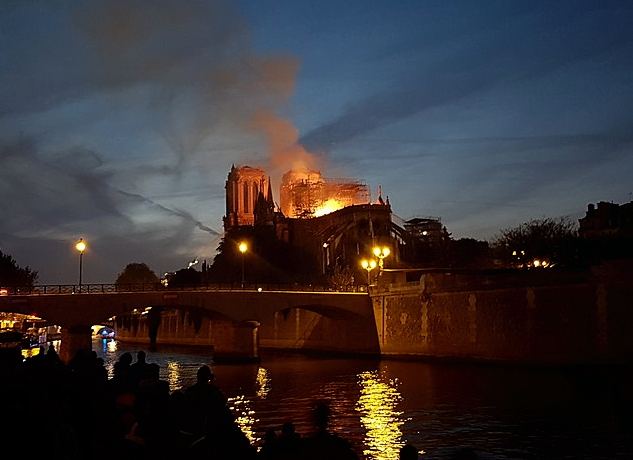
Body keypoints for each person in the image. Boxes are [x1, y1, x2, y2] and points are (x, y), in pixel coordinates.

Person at [183, 365, 228, 438]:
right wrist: (211, 384)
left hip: (192, 425)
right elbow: (222, 401)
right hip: (208, 426)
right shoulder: (211, 391)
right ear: (209, 378)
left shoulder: (190, 391)